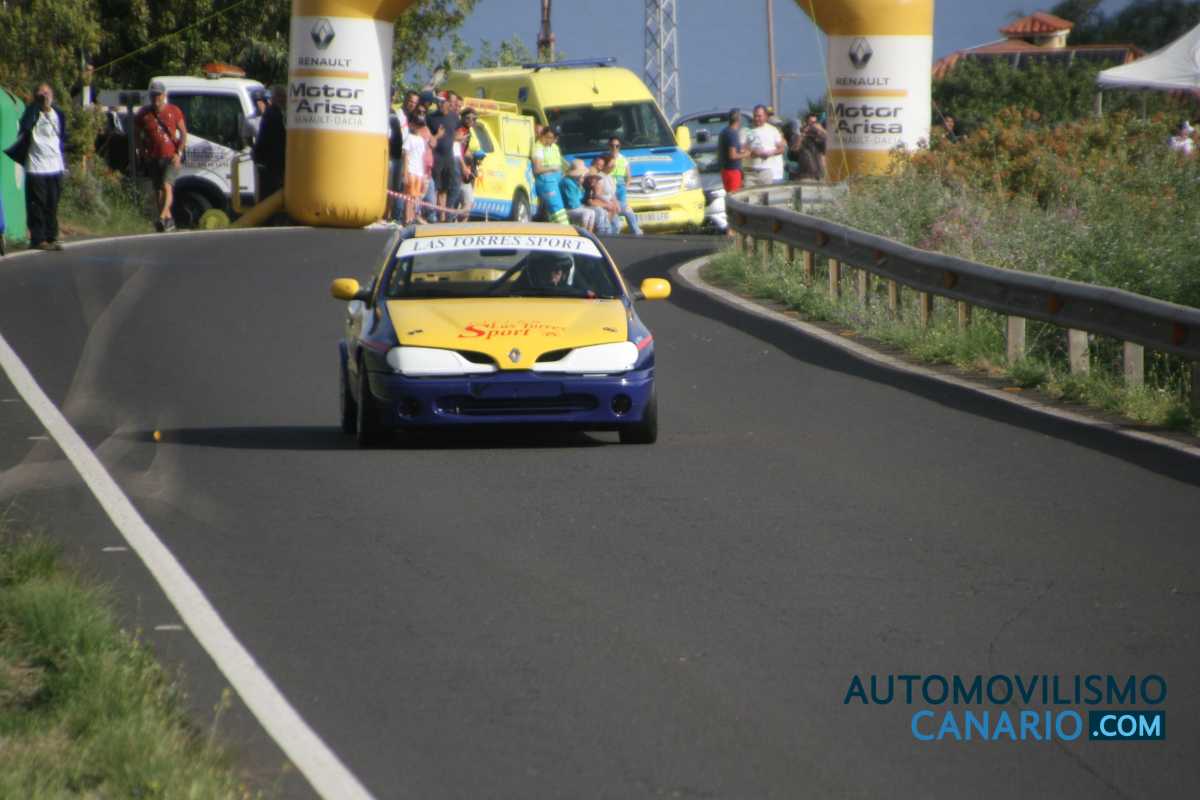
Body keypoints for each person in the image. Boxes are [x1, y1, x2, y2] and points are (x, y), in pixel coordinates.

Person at [9, 83, 67, 249]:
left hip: (55, 165)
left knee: (52, 203)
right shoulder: (31, 112)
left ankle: (52, 236)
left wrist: (48, 108)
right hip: (36, 166)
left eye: (47, 93)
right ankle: (38, 238)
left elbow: (63, 134)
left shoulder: (58, 113)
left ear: (52, 95)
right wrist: (37, 107)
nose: (44, 96)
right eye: (41, 93)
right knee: (37, 204)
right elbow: (25, 127)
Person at [136, 80, 188, 232]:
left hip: (171, 156)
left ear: (164, 95)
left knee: (167, 186)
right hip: (154, 156)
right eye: (153, 95)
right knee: (158, 190)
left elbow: (183, 133)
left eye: (158, 95)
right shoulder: (143, 114)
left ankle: (162, 216)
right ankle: (167, 222)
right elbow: (136, 134)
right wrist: (142, 151)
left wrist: (179, 153)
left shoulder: (174, 110)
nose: (156, 98)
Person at [427, 90, 462, 220]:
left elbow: (457, 133)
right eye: (438, 102)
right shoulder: (431, 117)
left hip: (449, 157)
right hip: (436, 157)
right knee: (436, 187)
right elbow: (427, 138)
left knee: (445, 188)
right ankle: (434, 215)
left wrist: (458, 138)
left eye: (442, 102)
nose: (440, 105)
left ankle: (442, 216)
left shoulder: (454, 117)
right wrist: (437, 136)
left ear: (448, 103)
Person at [253, 86, 286, 202]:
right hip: (271, 162)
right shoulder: (273, 114)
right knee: (270, 194)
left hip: (268, 160)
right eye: (283, 97)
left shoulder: (273, 113)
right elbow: (274, 139)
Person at [604, 137, 641, 235]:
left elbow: (628, 175)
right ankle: (615, 229)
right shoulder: (606, 158)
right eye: (612, 146)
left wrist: (626, 186)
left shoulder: (623, 159)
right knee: (615, 209)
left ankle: (630, 230)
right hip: (609, 186)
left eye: (617, 146)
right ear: (609, 146)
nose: (614, 148)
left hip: (620, 186)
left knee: (623, 208)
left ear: (620, 147)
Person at [532, 125, 568, 224]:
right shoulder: (538, 148)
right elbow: (537, 169)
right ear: (542, 135)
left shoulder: (554, 147)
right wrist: (552, 168)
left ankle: (559, 227)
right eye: (548, 137)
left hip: (557, 178)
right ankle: (564, 229)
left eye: (553, 138)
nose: (550, 140)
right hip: (547, 180)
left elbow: (561, 164)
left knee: (562, 207)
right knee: (556, 208)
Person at [744, 104, 785, 187]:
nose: (756, 118)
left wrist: (770, 153)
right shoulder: (747, 130)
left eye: (759, 116)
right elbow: (742, 150)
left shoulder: (773, 130)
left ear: (765, 117)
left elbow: (781, 149)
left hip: (767, 172)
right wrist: (753, 153)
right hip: (750, 172)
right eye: (755, 116)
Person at [403, 117, 430, 224]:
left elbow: (422, 158)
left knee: (416, 196)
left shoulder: (421, 140)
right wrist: (405, 173)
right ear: (412, 125)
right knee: (409, 196)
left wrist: (423, 174)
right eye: (416, 125)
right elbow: (406, 156)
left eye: (420, 126)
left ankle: (414, 217)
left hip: (419, 172)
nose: (418, 128)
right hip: (411, 170)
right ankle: (407, 218)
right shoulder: (409, 138)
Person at [717, 108, 749, 194]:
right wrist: (746, 154)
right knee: (735, 195)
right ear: (739, 119)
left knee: (729, 194)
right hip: (733, 171)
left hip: (725, 170)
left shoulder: (724, 132)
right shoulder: (733, 133)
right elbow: (733, 155)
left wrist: (740, 151)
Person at [387, 89, 406, 221]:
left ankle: (389, 216)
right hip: (388, 156)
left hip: (397, 155)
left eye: (392, 95)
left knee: (394, 188)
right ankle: (384, 215)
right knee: (387, 187)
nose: (392, 98)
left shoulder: (394, 112)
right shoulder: (380, 111)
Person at [561, 159, 595, 231]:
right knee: (586, 213)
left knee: (592, 212)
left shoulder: (575, 182)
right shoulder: (567, 182)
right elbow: (572, 203)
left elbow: (580, 197)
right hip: (568, 209)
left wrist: (580, 186)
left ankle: (589, 232)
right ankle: (583, 231)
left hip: (575, 206)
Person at [793, 113, 827, 180]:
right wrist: (803, 134)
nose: (813, 125)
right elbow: (794, 150)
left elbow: (829, 146)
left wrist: (821, 130)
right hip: (805, 175)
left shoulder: (820, 137)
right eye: (811, 123)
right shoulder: (800, 136)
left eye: (815, 123)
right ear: (806, 123)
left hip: (819, 173)